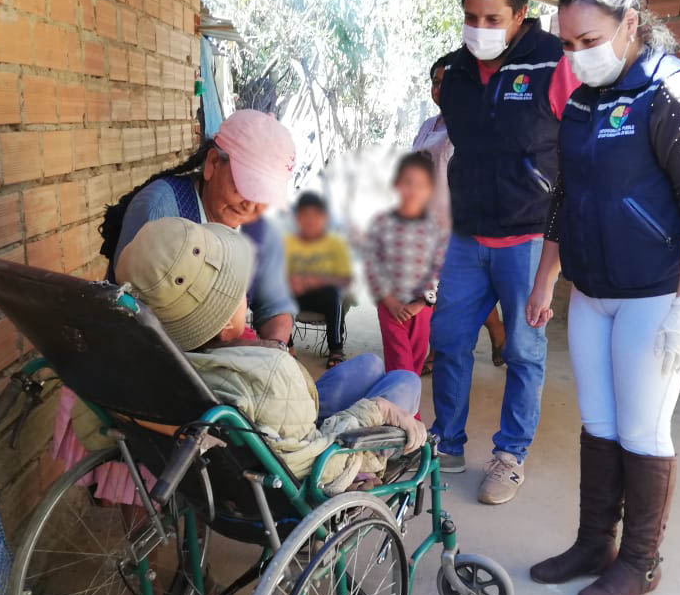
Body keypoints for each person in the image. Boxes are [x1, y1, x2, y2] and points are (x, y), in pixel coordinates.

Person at [525, 0, 680, 595]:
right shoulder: (581, 99)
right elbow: (563, 195)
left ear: (629, 26)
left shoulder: (674, 94)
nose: (575, 55)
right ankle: (593, 543)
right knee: (599, 422)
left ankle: (640, 562)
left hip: (654, 294)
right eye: (567, 42)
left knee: (642, 428)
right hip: (593, 291)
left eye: (588, 39)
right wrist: (546, 277)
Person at [114, 217, 426, 492]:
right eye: (237, 291)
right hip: (297, 456)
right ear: (223, 322)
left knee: (371, 365)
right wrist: (378, 411)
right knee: (405, 381)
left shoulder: (152, 366)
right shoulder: (272, 371)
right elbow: (320, 465)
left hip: (268, 420)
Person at [430, 0, 578, 505]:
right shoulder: (454, 73)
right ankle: (445, 442)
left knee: (522, 350)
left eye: (493, 19)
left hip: (527, 236)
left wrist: (555, 264)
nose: (480, 31)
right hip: (467, 236)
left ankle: (509, 455)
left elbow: (576, 154)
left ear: (520, 14)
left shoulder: (555, 64)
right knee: (446, 342)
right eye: (471, 17)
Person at [99, 109, 299, 344]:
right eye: (244, 186)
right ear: (213, 163)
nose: (250, 205)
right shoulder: (161, 211)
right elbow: (134, 320)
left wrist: (274, 350)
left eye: (262, 195)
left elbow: (275, 307)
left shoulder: (262, 228)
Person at [413, 53, 506, 372]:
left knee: (444, 289)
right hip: (423, 217)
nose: (439, 89)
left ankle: (438, 349)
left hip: (453, 218)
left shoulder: (470, 124)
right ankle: (495, 328)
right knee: (438, 285)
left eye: (446, 82)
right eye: (435, 83)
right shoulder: (429, 124)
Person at [364, 152, 446, 380]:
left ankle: (402, 413)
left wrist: (422, 303)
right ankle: (409, 414)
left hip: (422, 310)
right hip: (391, 308)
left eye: (420, 184)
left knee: (415, 366)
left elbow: (438, 270)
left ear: (430, 189)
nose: (413, 190)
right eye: (407, 182)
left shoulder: (435, 228)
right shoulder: (382, 223)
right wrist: (389, 302)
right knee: (400, 368)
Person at [285, 191, 353, 367]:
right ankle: (287, 347)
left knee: (335, 295)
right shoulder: (289, 242)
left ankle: (336, 349)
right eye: (305, 215)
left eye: (315, 215)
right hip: (297, 295)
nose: (310, 220)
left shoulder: (334, 243)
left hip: (323, 296)